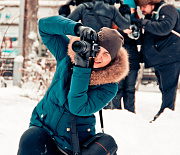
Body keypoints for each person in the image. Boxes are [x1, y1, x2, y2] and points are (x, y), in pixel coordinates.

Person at [17, 15, 129, 155]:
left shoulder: (108, 86)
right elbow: (44, 26)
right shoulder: (67, 56)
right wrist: (77, 28)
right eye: (97, 48)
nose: (99, 56)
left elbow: (77, 107)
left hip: (72, 145)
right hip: (43, 128)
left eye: (106, 54)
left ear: (112, 60)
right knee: (30, 138)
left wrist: (82, 68)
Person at [132, 0, 180, 121]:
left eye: (143, 6)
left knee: (168, 88)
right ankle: (165, 113)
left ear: (151, 2)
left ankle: (166, 113)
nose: (141, 9)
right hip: (161, 58)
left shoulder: (167, 9)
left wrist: (143, 23)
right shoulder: (153, 14)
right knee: (164, 88)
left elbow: (165, 27)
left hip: (169, 57)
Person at [104, 0, 141, 113]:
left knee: (130, 89)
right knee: (118, 88)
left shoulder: (136, 23)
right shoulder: (112, 24)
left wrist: (135, 32)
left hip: (132, 61)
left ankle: (130, 113)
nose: (130, 12)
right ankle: (116, 112)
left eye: (132, 10)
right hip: (118, 61)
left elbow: (139, 40)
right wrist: (123, 30)